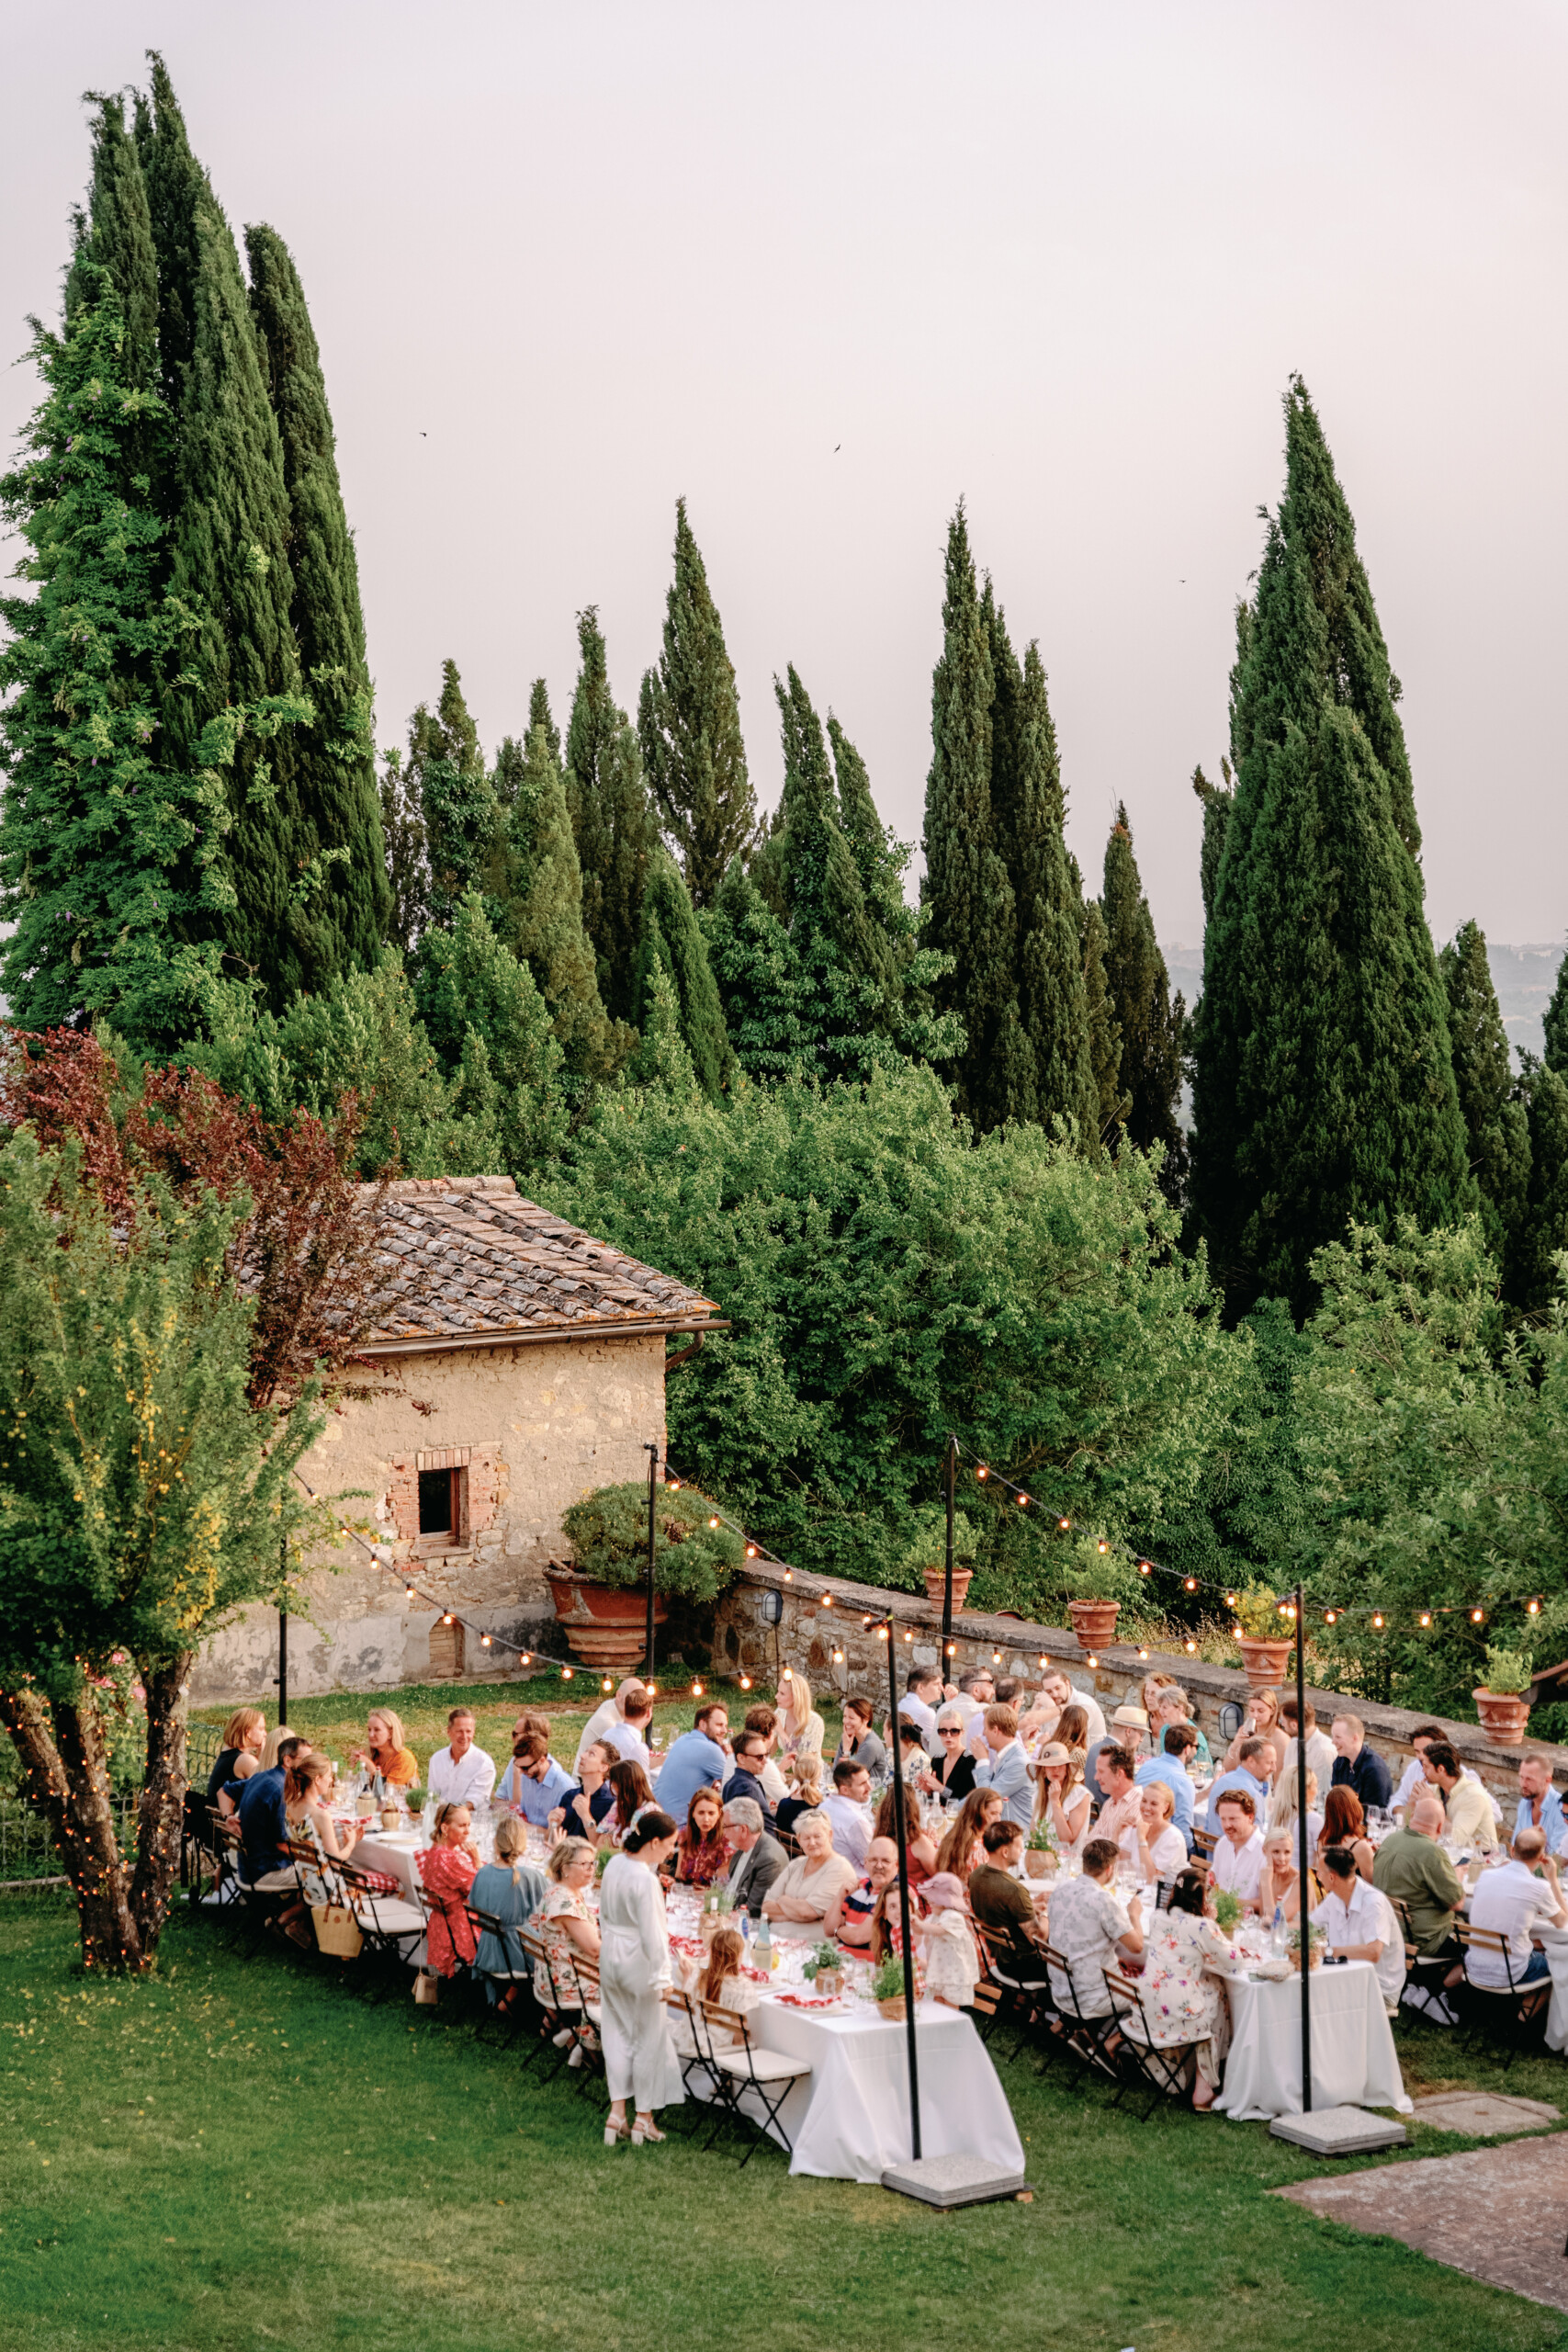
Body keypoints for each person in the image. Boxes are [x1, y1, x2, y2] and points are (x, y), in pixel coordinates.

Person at [601, 1807, 685, 2145]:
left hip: (611, 1956)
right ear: (654, 1842)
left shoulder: (614, 1865)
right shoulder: (646, 1880)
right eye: (670, 1844)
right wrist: (664, 1977)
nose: (672, 1851)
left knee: (616, 2033)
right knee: (648, 2040)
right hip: (637, 1960)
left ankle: (617, 2113)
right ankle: (643, 2119)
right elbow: (654, 1934)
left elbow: (604, 1914)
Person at [1123, 1866, 1234, 2109]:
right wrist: (1211, 1923)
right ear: (1203, 1899)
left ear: (1174, 1891)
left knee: (1206, 1989)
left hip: (1144, 2011)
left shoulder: (1156, 1917)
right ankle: (1204, 2086)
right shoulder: (1203, 1927)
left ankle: (1189, 2074)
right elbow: (1233, 1961)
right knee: (1216, 1991)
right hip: (1174, 2019)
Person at [1046, 1836, 1144, 2024]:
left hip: (1061, 1989)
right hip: (1091, 1998)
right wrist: (1134, 1915)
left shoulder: (1061, 1889)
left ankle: (1074, 2029)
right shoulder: (1103, 1900)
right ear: (1110, 1869)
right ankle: (1113, 2039)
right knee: (1154, 1992)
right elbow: (1137, 1946)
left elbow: (1077, 1936)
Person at [1468, 1826, 1568, 1989]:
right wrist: (1553, 1880)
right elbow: (1562, 1922)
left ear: (1512, 1850)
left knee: (1535, 1945)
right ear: (1541, 1857)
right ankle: (1525, 2007)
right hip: (1509, 1971)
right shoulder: (1539, 1887)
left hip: (1474, 1965)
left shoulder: (1485, 1875)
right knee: (1560, 1966)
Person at [1371, 1796, 1466, 1962]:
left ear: (1413, 1816)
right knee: (1482, 1944)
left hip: (1387, 1931)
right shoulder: (1432, 1853)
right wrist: (1458, 1876)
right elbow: (1457, 1903)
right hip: (1425, 1940)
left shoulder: (1390, 1840)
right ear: (1440, 1827)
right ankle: (1446, 1978)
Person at [1312, 1845, 1404, 2010]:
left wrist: (1327, 1951)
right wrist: (1274, 1927)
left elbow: (1373, 1952)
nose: (1317, 1876)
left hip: (1378, 1987)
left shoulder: (1373, 1903)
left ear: (1332, 1877)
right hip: (1347, 1977)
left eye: (1319, 1872)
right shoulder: (1335, 1897)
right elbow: (1309, 1924)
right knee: (1304, 1990)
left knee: (1312, 1999)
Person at [470, 1816, 547, 2005]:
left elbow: (475, 1905)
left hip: (488, 1949)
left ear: (495, 1843)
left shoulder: (482, 1872)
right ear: (524, 1846)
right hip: (517, 1952)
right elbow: (550, 1908)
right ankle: (542, 2007)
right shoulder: (531, 1876)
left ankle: (511, 1995)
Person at [535, 1837, 601, 2057]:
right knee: (624, 1986)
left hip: (555, 1971)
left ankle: (575, 2034)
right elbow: (595, 1950)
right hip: (564, 1981)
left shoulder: (562, 1891)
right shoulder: (564, 1902)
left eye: (593, 1863)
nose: (591, 1869)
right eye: (584, 1864)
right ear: (564, 1868)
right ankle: (585, 2046)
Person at [967, 1820, 1050, 1985]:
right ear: (1005, 1852)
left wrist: (1032, 1906)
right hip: (1025, 1966)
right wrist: (1047, 1913)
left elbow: (1000, 1907)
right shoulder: (1015, 1890)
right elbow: (1039, 1939)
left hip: (999, 1957)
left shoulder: (977, 1875)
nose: (1022, 1851)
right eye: (1019, 1847)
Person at [761, 1806, 857, 1932]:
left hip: (814, 1942)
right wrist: (797, 1913)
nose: (812, 1843)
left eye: (817, 1836)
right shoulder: (796, 1864)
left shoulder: (839, 1868)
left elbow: (807, 1912)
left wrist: (782, 1900)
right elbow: (765, 1907)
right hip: (778, 1937)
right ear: (799, 1840)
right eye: (806, 1838)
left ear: (830, 1835)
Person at [417, 1802, 481, 1977]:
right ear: (445, 1828)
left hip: (442, 1921)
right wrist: (476, 1860)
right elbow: (481, 1888)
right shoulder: (450, 1859)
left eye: (468, 1825)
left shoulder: (435, 1852)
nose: (467, 1831)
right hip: (461, 1928)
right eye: (462, 1826)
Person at [236, 1734, 305, 1881]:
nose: (309, 1765)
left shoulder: (261, 1777)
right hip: (265, 1871)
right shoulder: (281, 1789)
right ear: (288, 1760)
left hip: (248, 1866)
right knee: (324, 1875)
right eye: (305, 1760)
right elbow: (282, 1845)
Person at [912, 1871, 981, 2007]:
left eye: (933, 1899)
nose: (929, 1902)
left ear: (946, 1901)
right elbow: (922, 1930)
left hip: (955, 1974)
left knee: (950, 2007)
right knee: (938, 2005)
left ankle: (952, 2021)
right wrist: (914, 1923)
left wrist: (920, 1924)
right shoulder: (935, 1916)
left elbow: (939, 1930)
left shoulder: (953, 1916)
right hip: (940, 1971)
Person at [655, 1702, 731, 1822]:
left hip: (655, 1817)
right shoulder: (710, 1749)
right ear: (703, 1724)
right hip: (678, 1826)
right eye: (719, 1725)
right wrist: (730, 1757)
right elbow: (736, 1785)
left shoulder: (682, 1740)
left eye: (725, 1726)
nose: (724, 1730)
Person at [825, 1835, 899, 1950]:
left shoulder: (897, 1893)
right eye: (874, 1860)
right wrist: (840, 1896)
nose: (879, 1866)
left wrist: (837, 1931)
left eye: (885, 1861)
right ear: (866, 1862)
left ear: (896, 1865)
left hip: (873, 1961)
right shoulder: (859, 1886)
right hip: (842, 1958)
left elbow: (857, 1937)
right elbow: (828, 1929)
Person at [1421, 1741, 1497, 1852]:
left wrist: (1431, 1804)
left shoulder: (1473, 1796)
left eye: (1426, 1766)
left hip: (1480, 1859)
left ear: (1441, 1769)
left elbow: (1455, 1840)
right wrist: (1413, 1802)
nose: (1423, 1771)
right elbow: (1415, 1825)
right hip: (1446, 1854)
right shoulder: (1434, 1789)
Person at [721, 1798, 786, 1917]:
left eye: (725, 1827)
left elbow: (754, 1911)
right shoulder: (741, 1848)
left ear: (743, 1829)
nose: (724, 1833)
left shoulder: (769, 1860)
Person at [1137, 1723, 1198, 1850]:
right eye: (1196, 1747)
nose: (1196, 1751)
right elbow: (1183, 1831)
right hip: (1163, 1844)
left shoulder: (1147, 1766)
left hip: (1139, 1831)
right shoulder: (1183, 1782)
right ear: (1187, 1749)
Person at [974, 1704, 1033, 1828]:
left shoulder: (1019, 1763)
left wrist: (983, 1761)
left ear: (995, 1730)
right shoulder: (1007, 1756)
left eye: (985, 1728)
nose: (983, 1733)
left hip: (1016, 1836)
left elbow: (986, 1799)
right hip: (1004, 1831)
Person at [498, 1732, 575, 1825]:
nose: (521, 1772)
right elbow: (522, 1813)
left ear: (542, 1760)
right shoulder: (527, 1776)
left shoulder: (564, 1788)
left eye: (525, 1768)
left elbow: (566, 1830)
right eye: (519, 1766)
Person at [1032, 1740, 1091, 1860]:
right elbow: (1033, 1835)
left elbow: (1067, 1841)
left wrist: (1055, 1803)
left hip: (1070, 1863)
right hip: (1043, 1860)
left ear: (1067, 1769)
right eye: (1050, 1765)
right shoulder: (1038, 1795)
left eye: (1060, 1764)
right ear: (1044, 1771)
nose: (1056, 1769)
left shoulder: (1079, 1794)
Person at [1127, 1781, 1187, 1898]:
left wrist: (1142, 1839)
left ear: (1165, 1807)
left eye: (1154, 1804)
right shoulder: (1137, 1828)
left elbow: (1151, 1878)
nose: (1146, 1807)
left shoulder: (1173, 1838)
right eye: (1144, 1801)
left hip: (1164, 1899)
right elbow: (1120, 1864)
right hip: (1137, 1893)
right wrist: (1117, 1832)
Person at [573, 1677, 647, 1772]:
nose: (637, 1704)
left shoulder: (610, 1704)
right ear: (619, 1696)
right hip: (586, 1779)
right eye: (632, 1698)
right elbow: (634, 1763)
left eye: (641, 1699)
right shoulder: (608, 1724)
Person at [552, 1739, 618, 1843]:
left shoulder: (611, 1805)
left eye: (591, 1754)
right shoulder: (569, 1796)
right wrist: (553, 1824)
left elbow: (602, 1848)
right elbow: (556, 1838)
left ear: (604, 1767)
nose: (582, 1756)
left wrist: (586, 1817)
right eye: (585, 1752)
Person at [428, 1709, 496, 1809]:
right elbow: (432, 1796)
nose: (464, 1736)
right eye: (459, 1731)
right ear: (449, 1731)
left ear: (474, 1732)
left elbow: (472, 1803)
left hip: (472, 1818)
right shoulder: (437, 1759)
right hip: (440, 1816)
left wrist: (446, 1812)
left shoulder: (484, 1764)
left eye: (468, 1731)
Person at [935, 1789, 1005, 1885]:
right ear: (978, 1813)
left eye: (999, 1814)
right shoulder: (979, 1848)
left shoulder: (952, 1837)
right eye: (993, 1813)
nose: (998, 1820)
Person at [1205, 1736, 1274, 1832]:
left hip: (1212, 1841)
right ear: (1251, 1761)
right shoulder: (1252, 1795)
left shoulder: (1221, 1781)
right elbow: (1256, 1838)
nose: (1274, 1768)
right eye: (1269, 1763)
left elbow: (1208, 1824)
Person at [1209, 1791, 1266, 1905]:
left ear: (1250, 1817)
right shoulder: (1223, 1843)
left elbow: (1269, 1903)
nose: (1227, 1825)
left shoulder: (1265, 1850)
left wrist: (1230, 1903)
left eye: (1233, 1819)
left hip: (1248, 1916)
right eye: (1223, 1819)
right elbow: (1212, 1875)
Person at [874, 1784, 939, 1885]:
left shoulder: (879, 1837)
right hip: (915, 1892)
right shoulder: (917, 1841)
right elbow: (941, 1875)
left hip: (890, 1891)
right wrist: (930, 1844)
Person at [1330, 1713, 1393, 1814]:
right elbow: (1335, 1800)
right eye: (1333, 1736)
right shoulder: (1340, 1762)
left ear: (1354, 1738)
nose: (1333, 1742)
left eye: (1338, 1737)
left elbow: (1373, 1813)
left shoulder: (1375, 1769)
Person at [348, 1707, 419, 1792]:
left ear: (390, 1734)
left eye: (377, 1730)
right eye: (369, 1730)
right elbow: (353, 1786)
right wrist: (356, 1767)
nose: (371, 1734)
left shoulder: (405, 1759)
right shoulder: (371, 1753)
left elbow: (385, 1791)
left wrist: (368, 1763)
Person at [822, 1757, 874, 1870]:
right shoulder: (856, 1821)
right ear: (845, 1790)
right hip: (853, 1878)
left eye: (868, 1780)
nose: (869, 1787)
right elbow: (872, 1861)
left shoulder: (823, 1806)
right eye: (862, 1784)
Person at [1267, 1754, 1324, 1856]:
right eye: (1314, 1786)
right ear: (1305, 1790)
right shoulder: (1313, 1819)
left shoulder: (1275, 1817)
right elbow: (1321, 1855)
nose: (1316, 1791)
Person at [1317, 1785, 1375, 1883]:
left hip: (1331, 1891)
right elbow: (1374, 1883)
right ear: (1354, 1809)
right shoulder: (1360, 1847)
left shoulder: (1322, 1841)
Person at [674, 1786, 730, 1887]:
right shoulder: (685, 1834)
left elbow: (720, 1888)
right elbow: (679, 1876)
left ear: (719, 1814)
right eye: (701, 1813)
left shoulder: (726, 1842)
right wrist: (672, 1883)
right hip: (684, 1893)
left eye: (711, 1813)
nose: (706, 1819)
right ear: (693, 1813)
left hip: (710, 1896)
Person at [1255, 1827, 1310, 1927]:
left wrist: (1266, 1883)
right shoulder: (1267, 1876)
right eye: (1276, 1852)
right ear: (1264, 1851)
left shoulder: (1301, 1882)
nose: (1282, 1858)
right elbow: (1264, 1917)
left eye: (1287, 1852)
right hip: (1274, 1936)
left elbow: (1275, 1922)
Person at [1039, 1669, 1107, 1750]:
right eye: (1049, 1691)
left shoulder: (1084, 1705)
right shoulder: (1049, 1701)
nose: (1054, 1694)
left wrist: (1053, 1709)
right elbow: (1035, 1732)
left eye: (1058, 1688)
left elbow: (1068, 1739)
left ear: (1067, 1683)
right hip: (1057, 1752)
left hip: (1086, 1755)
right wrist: (1037, 1705)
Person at [1515, 1756, 1568, 1857]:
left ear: (1547, 1780)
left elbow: (1556, 1859)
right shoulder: (1524, 1803)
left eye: (1529, 1779)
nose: (1523, 1784)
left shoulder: (1563, 1811)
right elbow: (1516, 1848)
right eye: (1521, 1777)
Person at [1092, 1743, 1143, 1849]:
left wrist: (1101, 1840)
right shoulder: (1110, 1802)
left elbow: (1121, 1850)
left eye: (1101, 1771)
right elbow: (1089, 1841)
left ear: (1119, 1774)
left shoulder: (1139, 1803)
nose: (1096, 1777)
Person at [1221, 1689, 1281, 1776]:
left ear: (1272, 1710)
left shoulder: (1279, 1738)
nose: (1255, 1715)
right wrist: (1235, 1745)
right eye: (1252, 1710)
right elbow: (1227, 1770)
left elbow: (1279, 1778)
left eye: (1261, 1711)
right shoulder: (1246, 1732)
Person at [208, 1708, 265, 1800]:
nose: (265, 1734)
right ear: (248, 1732)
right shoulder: (245, 1760)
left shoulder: (227, 1751)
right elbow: (268, 1789)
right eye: (261, 1729)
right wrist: (264, 1757)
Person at [1278, 1697, 1336, 1788]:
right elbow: (1285, 1781)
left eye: (1282, 1721)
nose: (1282, 1724)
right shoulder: (1293, 1743)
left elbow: (1323, 1792)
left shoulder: (1324, 1751)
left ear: (1294, 1725)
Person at [721, 1730, 774, 1822]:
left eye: (766, 1755)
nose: (765, 1761)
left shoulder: (732, 1783)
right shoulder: (747, 1788)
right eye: (760, 1757)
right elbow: (753, 1827)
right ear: (741, 1758)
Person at [600, 1758, 656, 1846]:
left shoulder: (649, 1811)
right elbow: (602, 1838)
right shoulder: (618, 1805)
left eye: (614, 1782)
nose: (612, 1786)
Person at [776, 1671, 825, 1768]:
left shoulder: (815, 1722)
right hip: (787, 1769)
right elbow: (769, 1750)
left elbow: (803, 1762)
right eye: (778, 1692)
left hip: (810, 1772)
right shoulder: (780, 1713)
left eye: (782, 1693)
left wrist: (781, 1732)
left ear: (795, 1697)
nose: (776, 1696)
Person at [835, 1693, 887, 1779]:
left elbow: (852, 1778)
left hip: (871, 1787)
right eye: (844, 1716)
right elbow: (835, 1772)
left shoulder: (871, 1745)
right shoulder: (848, 1738)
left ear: (866, 1720)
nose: (846, 1721)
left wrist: (846, 1752)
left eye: (851, 1718)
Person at [775, 1754, 825, 1838]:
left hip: (785, 1847)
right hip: (811, 1846)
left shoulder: (783, 1804)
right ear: (818, 1775)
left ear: (796, 1776)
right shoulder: (821, 1807)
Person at [897, 1666, 943, 1756]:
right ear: (921, 1687)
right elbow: (941, 1748)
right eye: (936, 1684)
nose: (941, 1688)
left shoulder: (902, 1704)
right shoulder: (925, 1713)